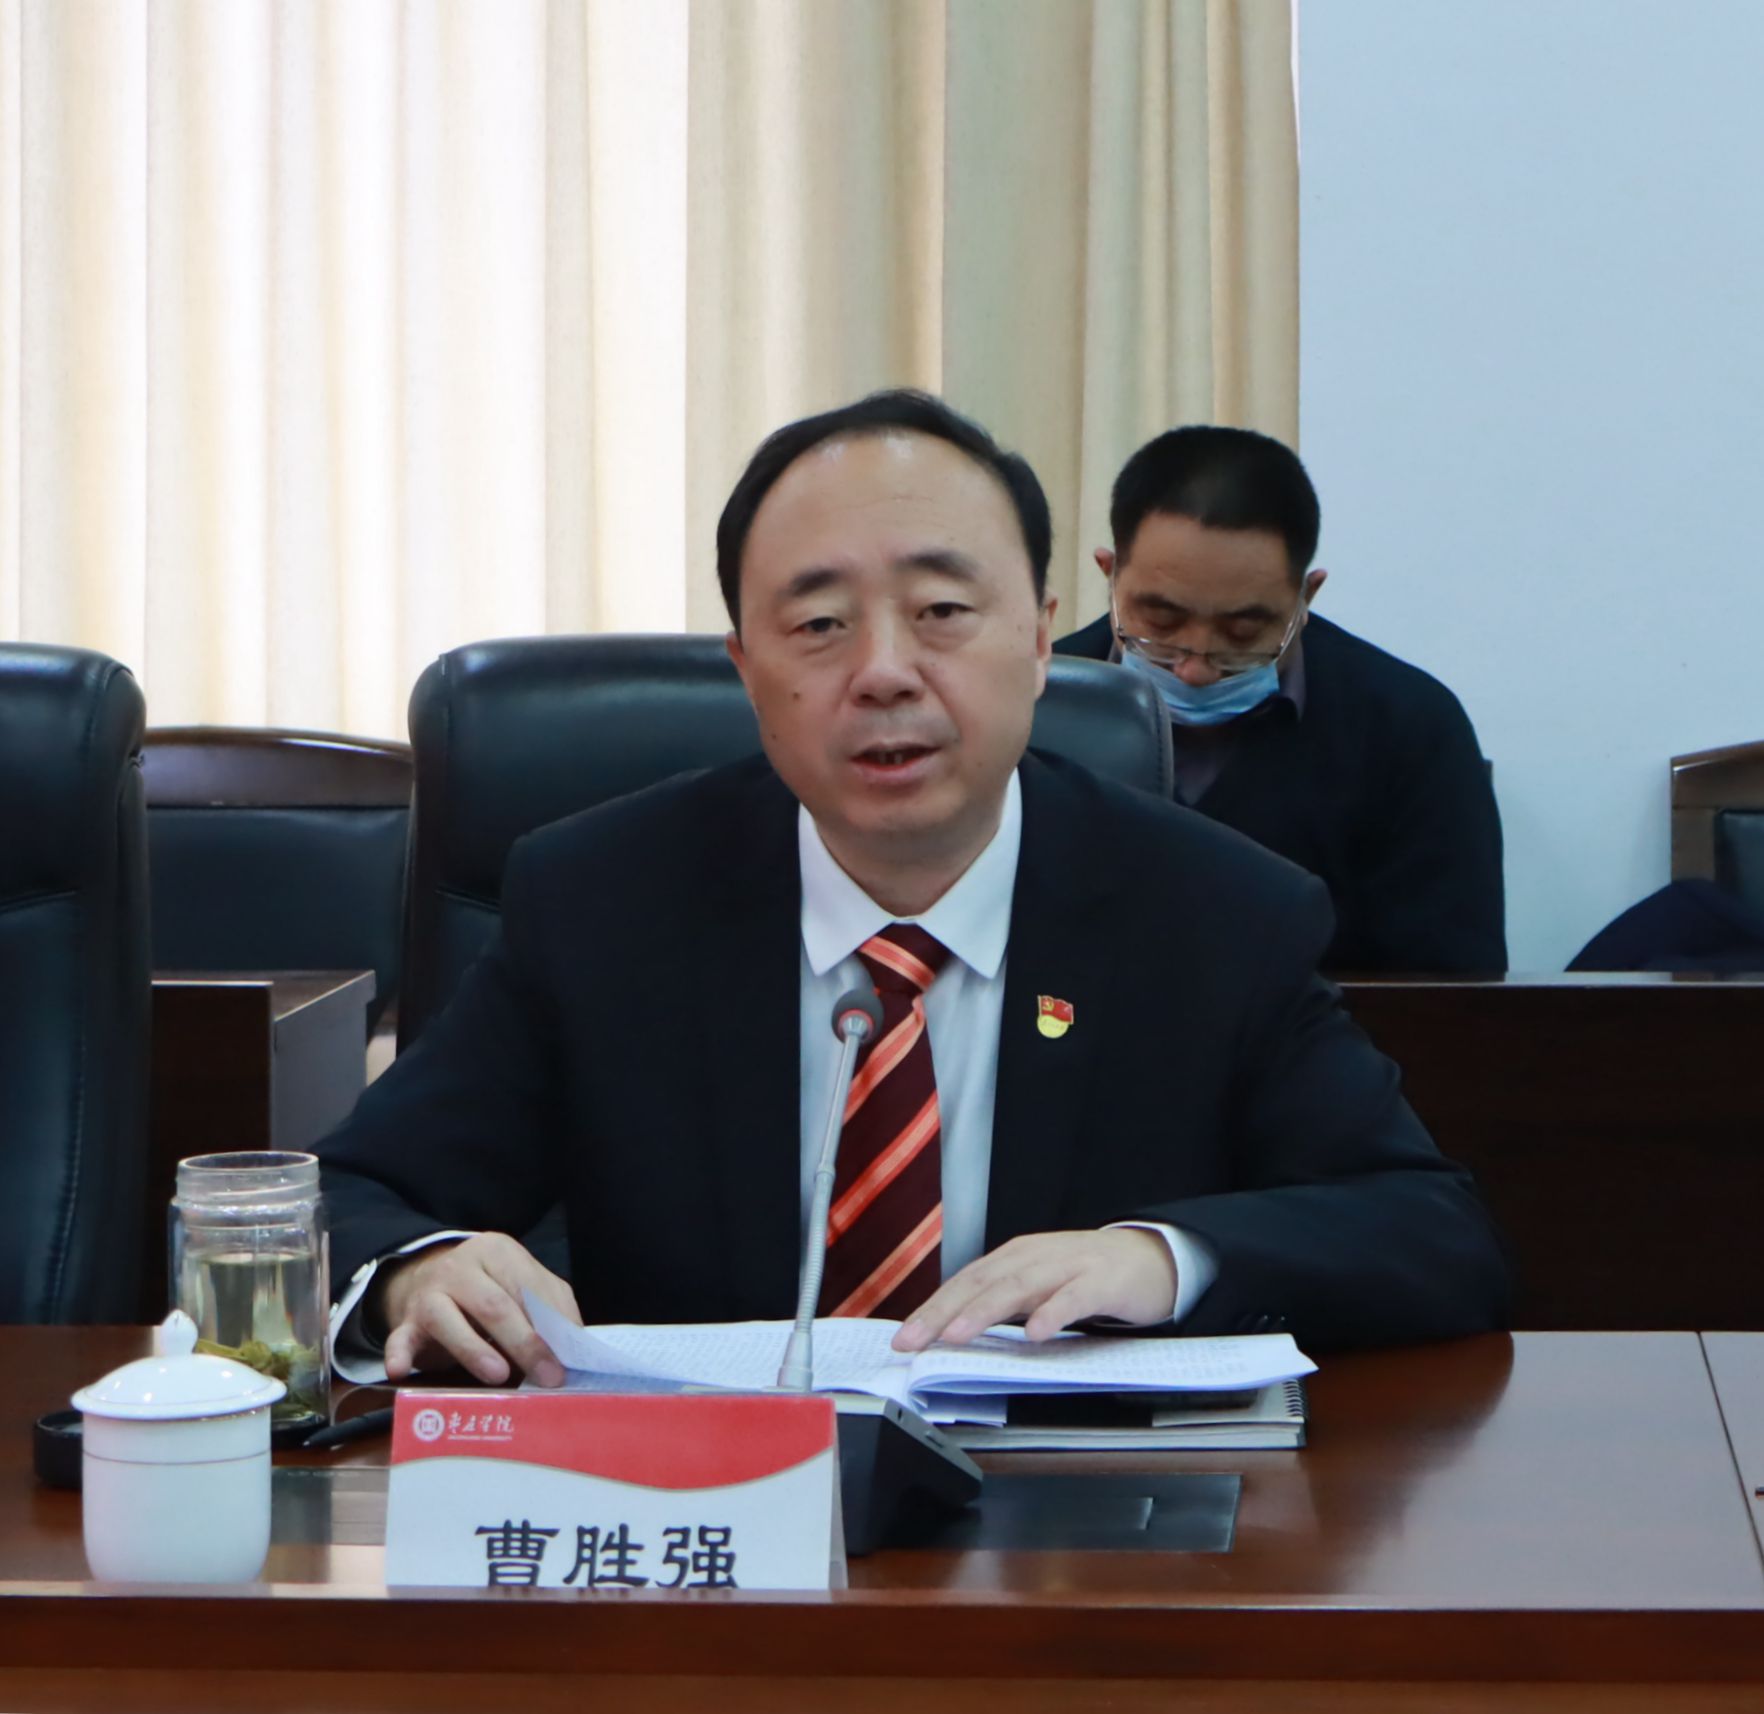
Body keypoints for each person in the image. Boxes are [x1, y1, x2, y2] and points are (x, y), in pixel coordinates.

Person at [316, 390, 1508, 1390]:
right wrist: (417, 1268)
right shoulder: (604, 904)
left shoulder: (1216, 913)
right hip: (711, 1534)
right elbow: (343, 1194)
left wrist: (1164, 1259)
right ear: (746, 669)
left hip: (1080, 1548)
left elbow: (1433, 1232)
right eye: (819, 623)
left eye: (942, 612)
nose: (885, 672)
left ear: (1042, 640)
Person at [1055, 426, 1506, 974]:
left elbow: (1453, 988)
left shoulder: (1410, 728)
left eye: (1243, 630)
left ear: (1305, 597)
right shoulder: (1038, 705)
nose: (1196, 667)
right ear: (1109, 574)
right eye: (1162, 619)